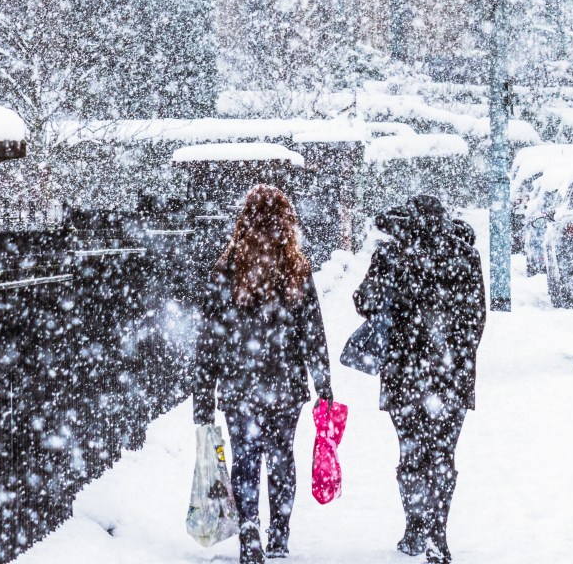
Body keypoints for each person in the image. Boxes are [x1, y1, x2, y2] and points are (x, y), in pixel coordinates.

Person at [193, 184, 334, 564]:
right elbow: (312, 332)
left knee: (245, 458)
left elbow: (210, 336)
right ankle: (279, 534)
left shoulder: (227, 268)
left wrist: (203, 393)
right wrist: (323, 383)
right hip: (285, 383)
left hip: (241, 382)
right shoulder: (297, 268)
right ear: (287, 223)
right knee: (281, 456)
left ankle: (250, 527)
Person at [354, 194, 487, 564]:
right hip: (451, 374)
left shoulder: (392, 256)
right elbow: (476, 321)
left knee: (411, 451)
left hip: (403, 373)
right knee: (442, 453)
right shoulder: (465, 256)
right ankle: (437, 534)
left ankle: (416, 527)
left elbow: (364, 302)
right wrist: (455, 358)